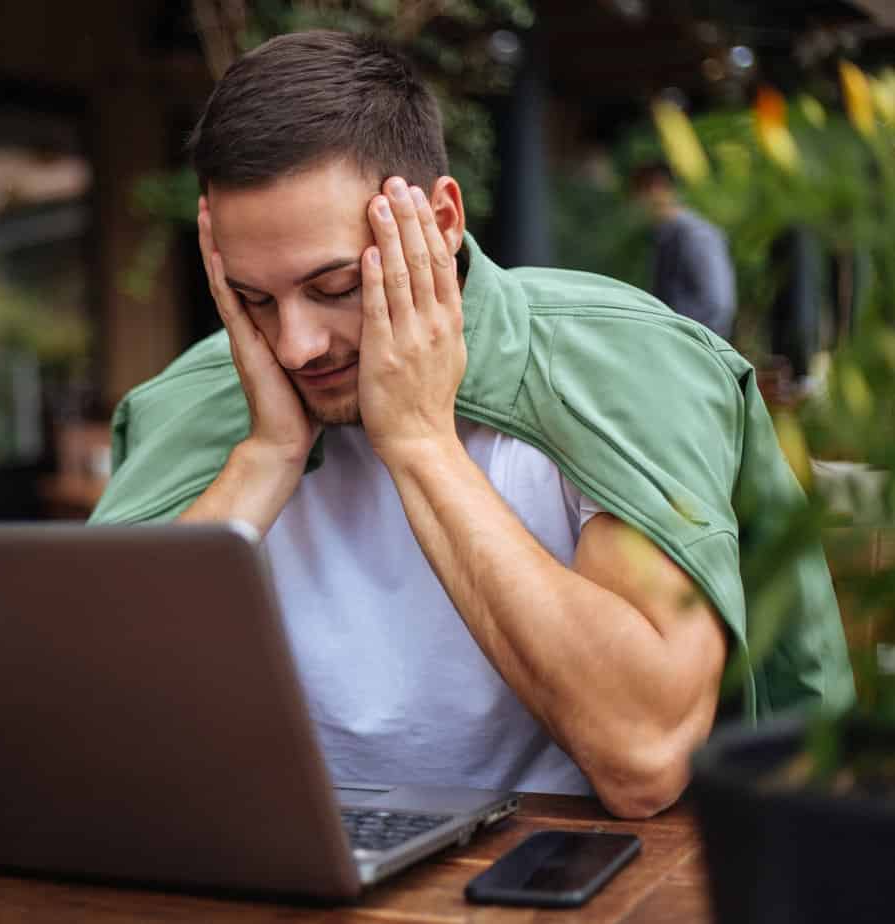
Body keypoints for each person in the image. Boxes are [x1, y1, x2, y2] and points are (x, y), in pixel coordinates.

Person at [90, 31, 852, 818]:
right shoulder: (185, 404)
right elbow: (79, 722)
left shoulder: (623, 367)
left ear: (442, 220)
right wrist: (266, 455)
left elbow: (644, 756)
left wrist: (420, 442)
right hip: (272, 862)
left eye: (336, 284)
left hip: (581, 882)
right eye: (254, 299)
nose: (295, 344)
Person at [630, 161, 737, 338]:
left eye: (638, 193)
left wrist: (686, 340)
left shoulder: (695, 235)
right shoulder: (664, 235)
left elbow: (718, 303)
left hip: (693, 348)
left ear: (656, 188)